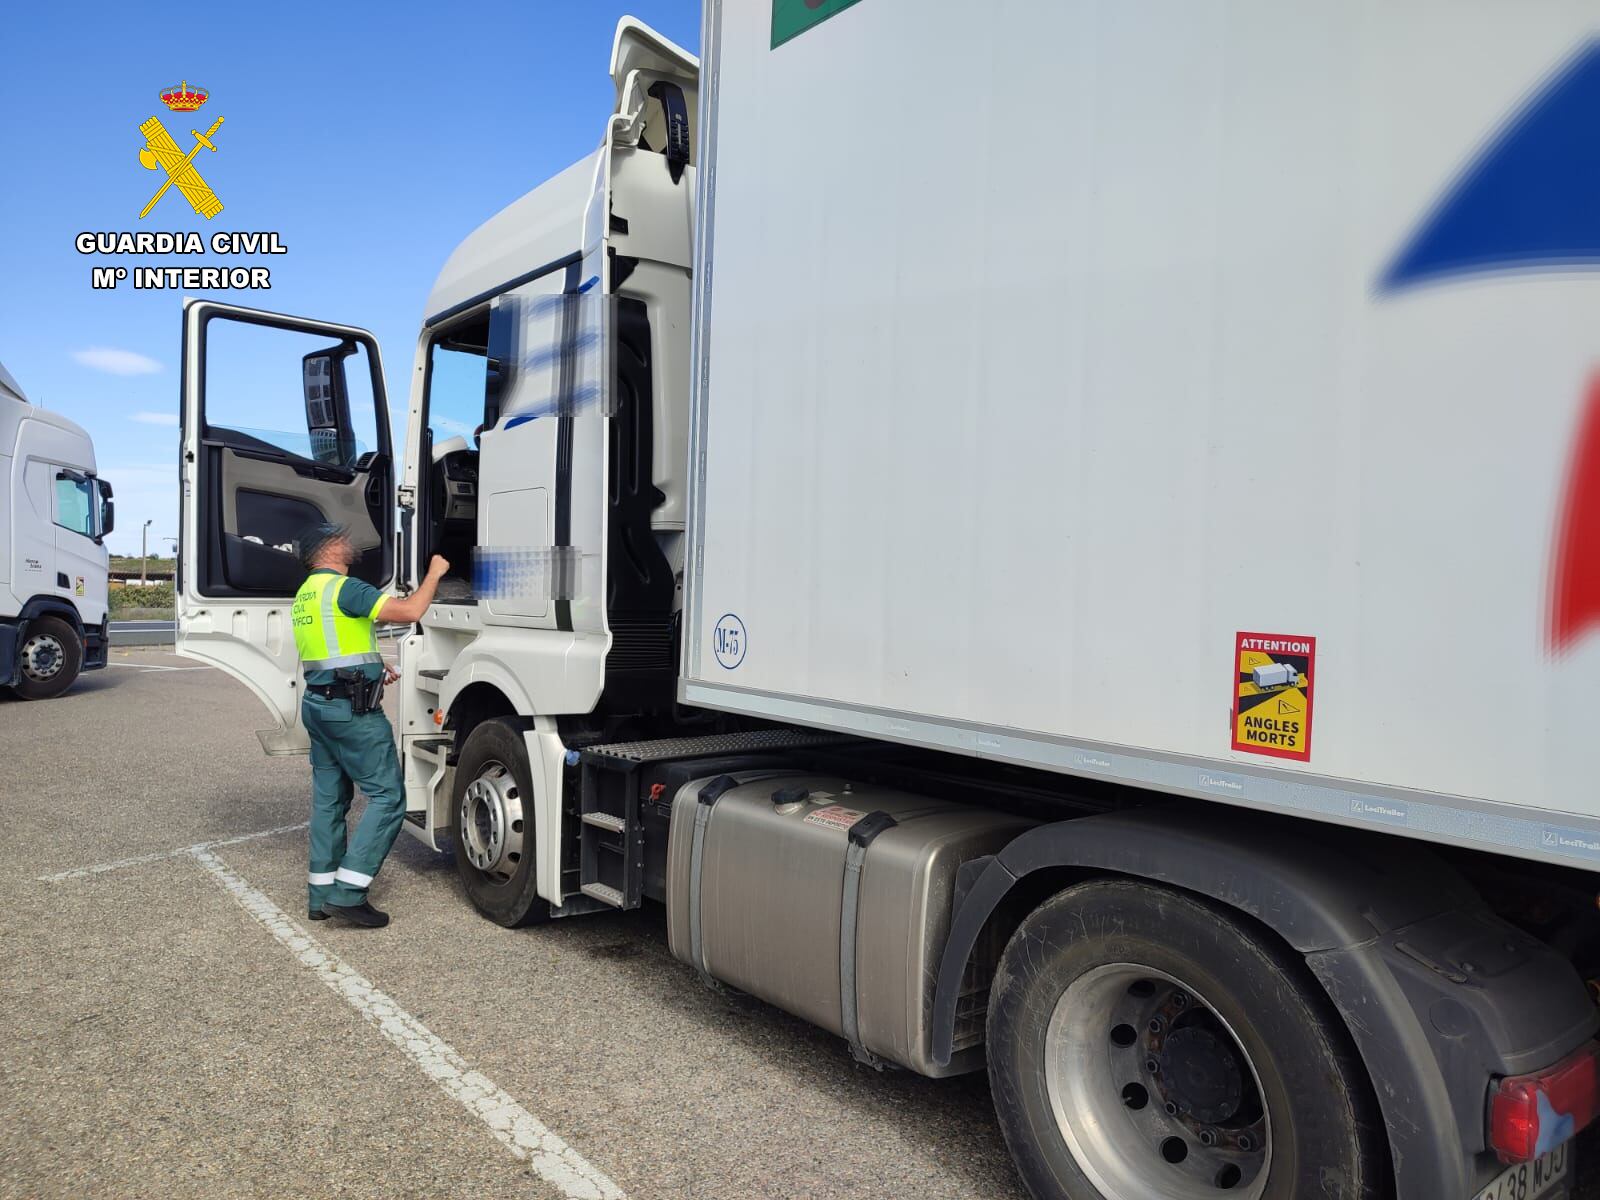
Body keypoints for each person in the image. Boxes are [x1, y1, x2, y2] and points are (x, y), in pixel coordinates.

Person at [291, 522, 449, 927]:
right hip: (352, 715)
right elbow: (411, 611)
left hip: (318, 707)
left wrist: (377, 668)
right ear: (327, 547)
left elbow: (334, 649)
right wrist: (434, 573)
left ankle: (320, 896)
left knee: (329, 801)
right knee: (388, 797)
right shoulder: (347, 589)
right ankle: (349, 892)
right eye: (342, 538)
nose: (350, 544)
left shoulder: (307, 593)